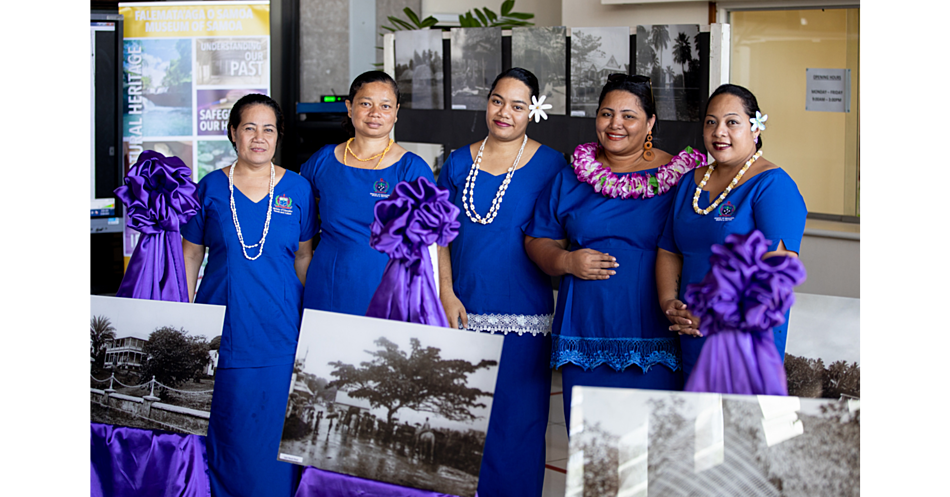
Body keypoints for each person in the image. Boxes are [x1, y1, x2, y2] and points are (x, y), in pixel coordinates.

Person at [525, 74, 706, 427]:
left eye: (629, 116)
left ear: (650, 122)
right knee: (591, 452)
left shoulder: (682, 179)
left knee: (652, 449)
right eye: (606, 114)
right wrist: (565, 260)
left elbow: (700, 245)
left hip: (655, 329)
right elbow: (537, 239)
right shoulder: (571, 176)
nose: (615, 125)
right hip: (586, 328)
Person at [436, 67, 567, 497]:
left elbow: (560, 234)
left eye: (517, 105)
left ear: (533, 111)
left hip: (524, 317)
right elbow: (437, 237)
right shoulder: (456, 162)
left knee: (518, 425)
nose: (504, 112)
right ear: (486, 102)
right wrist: (446, 292)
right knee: (461, 424)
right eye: (497, 101)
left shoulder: (552, 166)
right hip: (461, 310)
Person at [182, 93, 316, 497]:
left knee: (276, 438)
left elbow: (305, 257)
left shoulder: (299, 189)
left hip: (281, 334)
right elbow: (190, 256)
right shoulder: (208, 188)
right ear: (233, 134)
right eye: (250, 128)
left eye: (269, 129)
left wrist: (311, 325)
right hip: (221, 332)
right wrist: (186, 321)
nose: (260, 137)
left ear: (278, 136)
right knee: (226, 431)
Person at [657, 84, 807, 383]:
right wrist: (669, 302)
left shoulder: (773, 186)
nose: (719, 132)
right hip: (690, 333)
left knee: (738, 426)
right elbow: (669, 249)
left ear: (755, 128)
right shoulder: (690, 183)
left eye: (732, 122)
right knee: (698, 426)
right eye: (711, 122)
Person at [300, 71, 434, 315]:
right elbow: (298, 215)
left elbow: (430, 243)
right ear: (349, 108)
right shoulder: (323, 160)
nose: (375, 113)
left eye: (385, 106)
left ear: (396, 112)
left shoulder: (411, 168)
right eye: (365, 103)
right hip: (326, 284)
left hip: (388, 288)